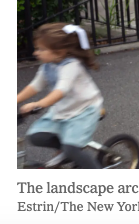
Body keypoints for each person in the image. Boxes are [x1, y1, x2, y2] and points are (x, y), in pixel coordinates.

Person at [17, 23, 103, 169]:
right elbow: (34, 86)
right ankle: (70, 152)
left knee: (71, 147)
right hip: (64, 110)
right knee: (36, 136)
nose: (36, 53)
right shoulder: (47, 66)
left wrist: (37, 104)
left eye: (41, 49)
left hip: (84, 110)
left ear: (59, 52)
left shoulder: (71, 66)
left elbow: (60, 90)